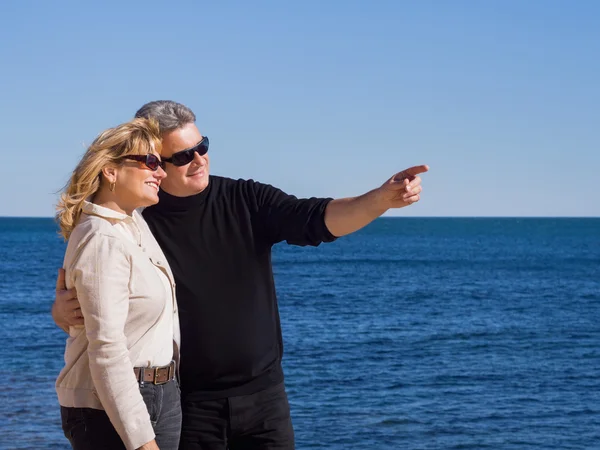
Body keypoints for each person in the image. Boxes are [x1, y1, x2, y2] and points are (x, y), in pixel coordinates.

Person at [53, 100, 428, 450]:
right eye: (182, 156)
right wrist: (62, 312)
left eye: (202, 146)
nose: (198, 160)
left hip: (264, 401)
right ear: (155, 162)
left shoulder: (245, 199)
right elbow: (96, 301)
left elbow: (318, 217)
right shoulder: (134, 217)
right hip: (185, 404)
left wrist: (380, 200)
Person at [55, 118, 181, 450]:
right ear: (111, 171)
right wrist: (142, 442)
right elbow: (107, 348)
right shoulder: (102, 238)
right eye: (151, 162)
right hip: (113, 404)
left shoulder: (132, 223)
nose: (161, 173)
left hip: (159, 393)